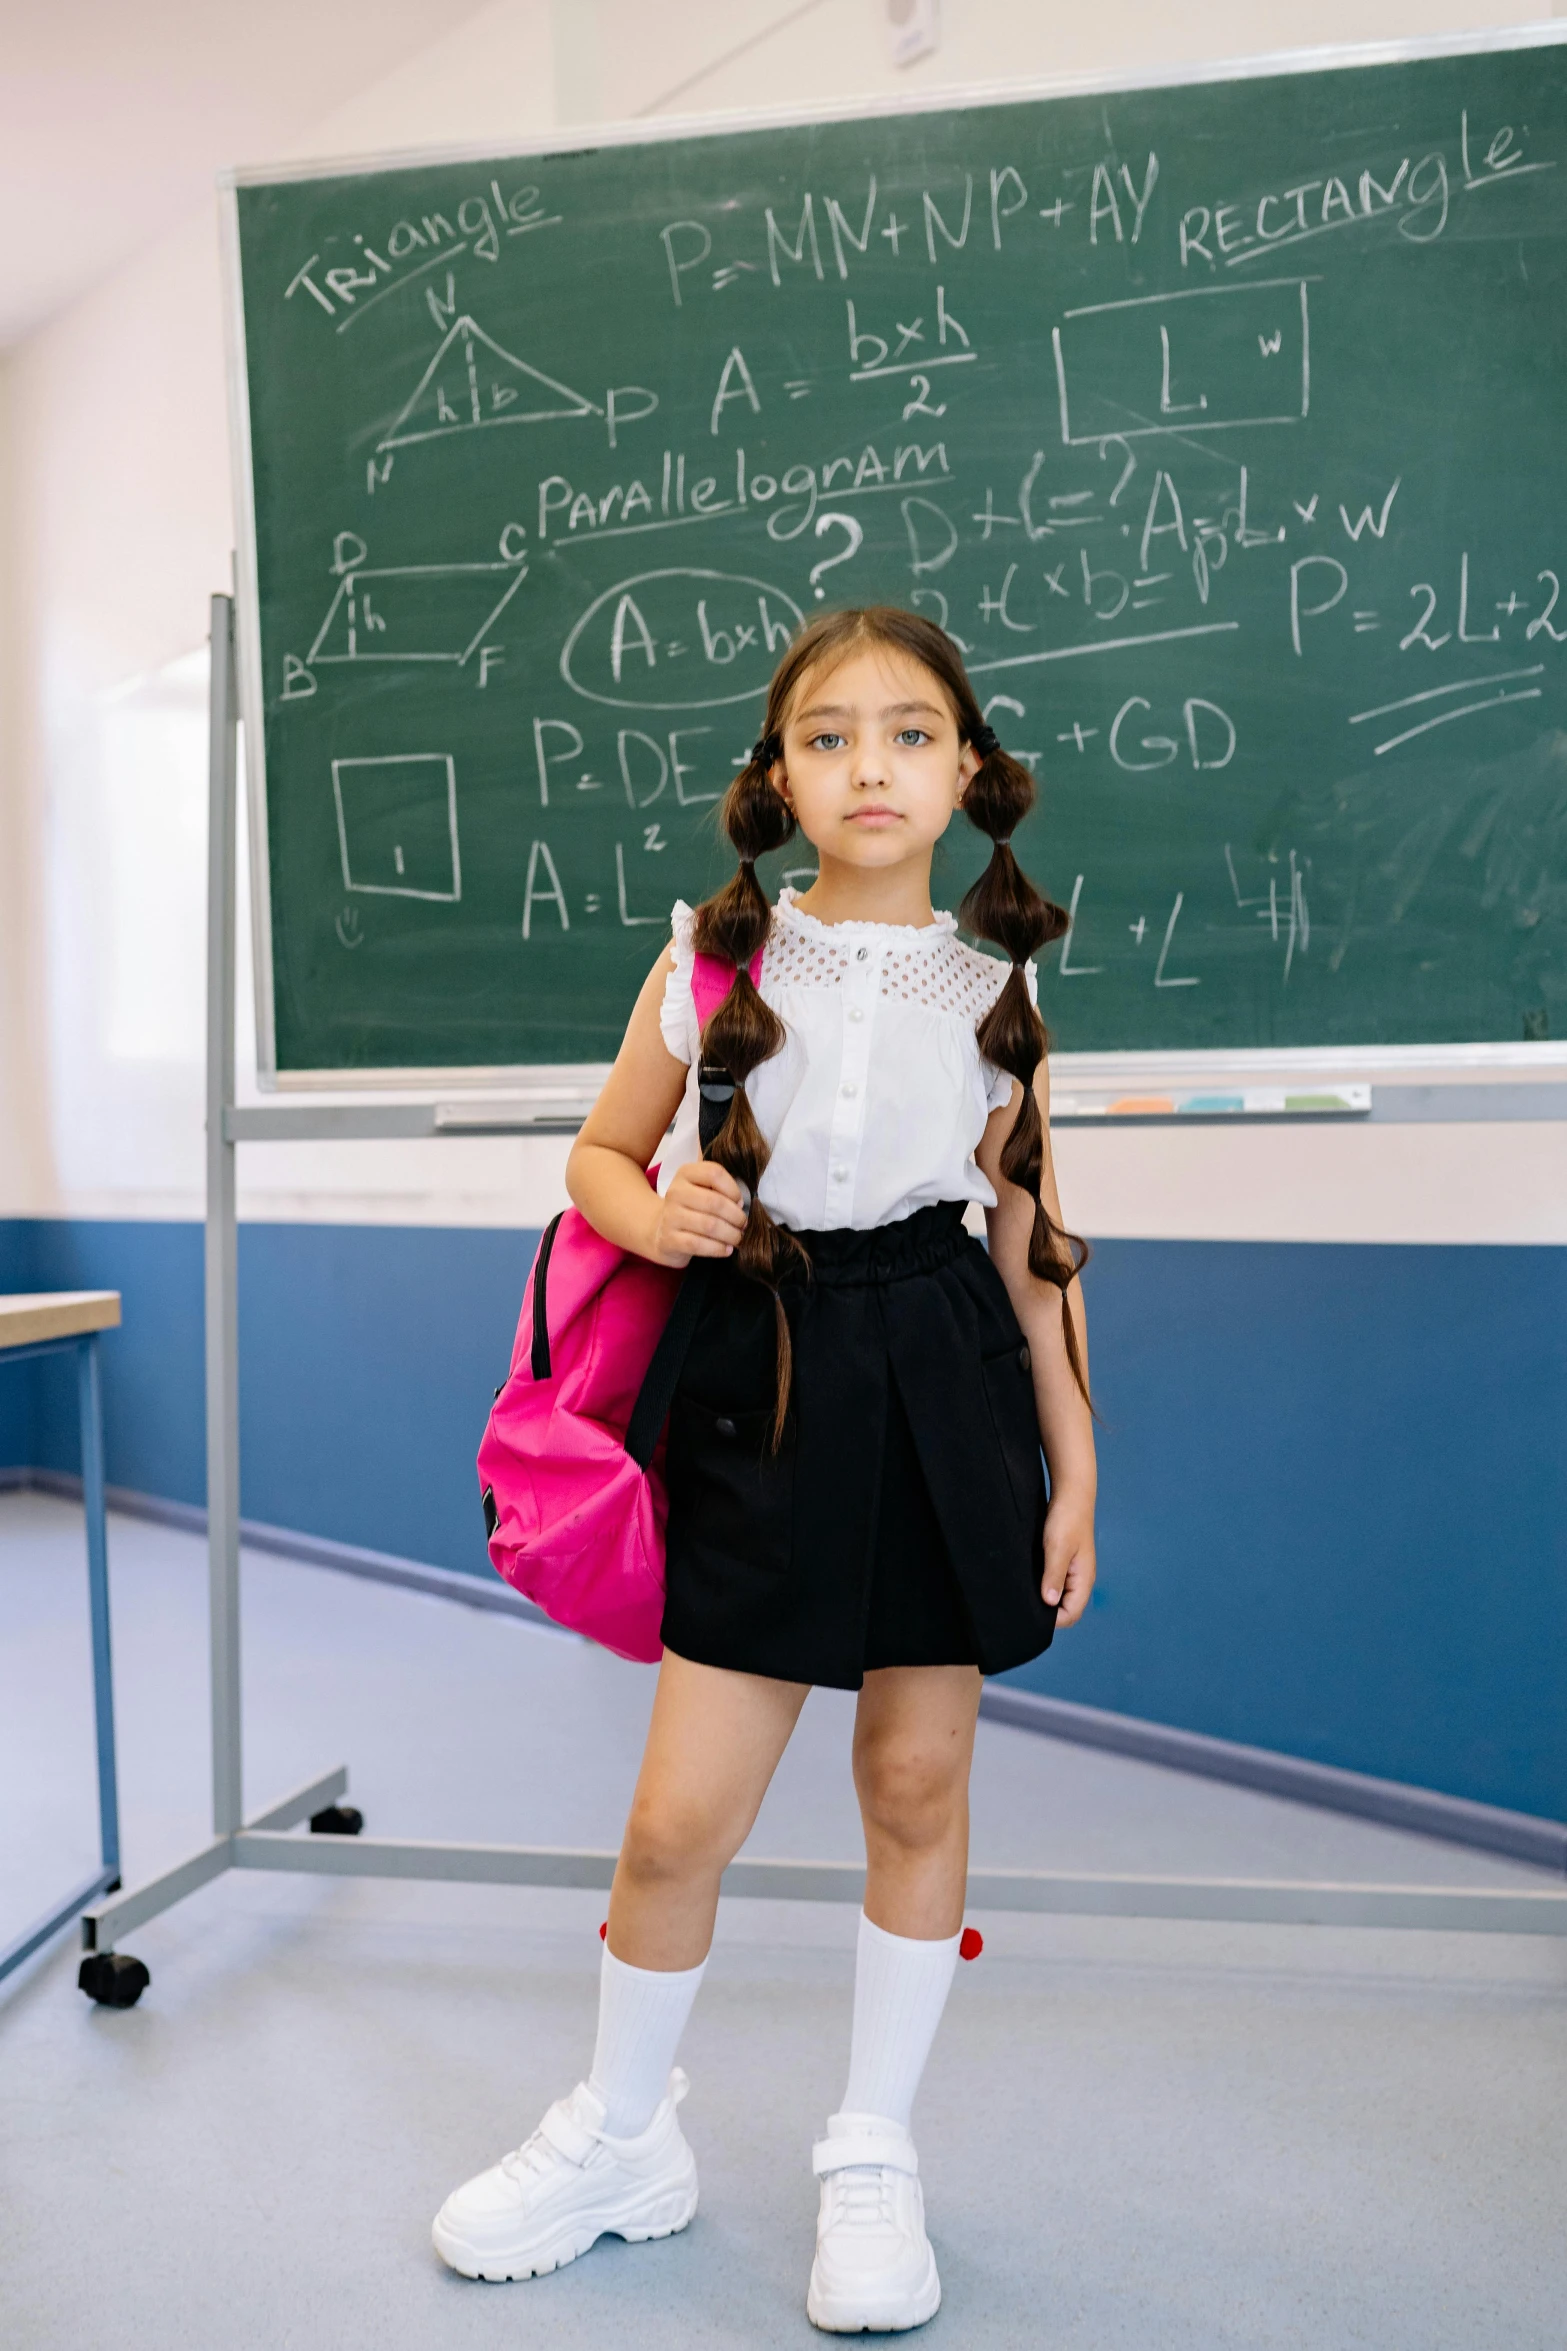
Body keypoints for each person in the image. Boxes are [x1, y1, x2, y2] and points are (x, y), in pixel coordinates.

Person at [432, 606, 1097, 2332]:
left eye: (906, 733)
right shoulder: (714, 960)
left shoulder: (999, 980)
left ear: (967, 768)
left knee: (911, 1783)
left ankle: (871, 2148)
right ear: (777, 776)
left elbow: (1032, 1240)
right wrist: (654, 1207)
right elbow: (596, 1152)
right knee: (674, 1819)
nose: (867, 764)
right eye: (826, 735)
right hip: (763, 1375)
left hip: (942, 1377)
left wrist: (1077, 1453)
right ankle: (623, 2132)